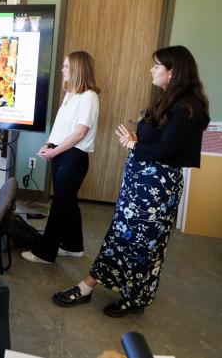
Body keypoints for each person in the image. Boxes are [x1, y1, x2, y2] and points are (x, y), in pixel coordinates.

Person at [52, 45, 209, 317]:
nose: (151, 69)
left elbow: (165, 150)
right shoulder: (166, 99)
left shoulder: (187, 107)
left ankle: (122, 294)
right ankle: (111, 290)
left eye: (157, 66)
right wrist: (136, 142)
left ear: (172, 72)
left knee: (143, 243)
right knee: (122, 236)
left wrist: (134, 144)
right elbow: (153, 138)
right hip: (140, 185)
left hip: (156, 189)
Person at [21, 50, 100, 264]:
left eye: (66, 66)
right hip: (61, 153)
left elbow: (79, 133)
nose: (62, 70)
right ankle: (74, 247)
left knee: (59, 207)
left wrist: (55, 151)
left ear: (77, 70)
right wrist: (49, 143)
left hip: (73, 157)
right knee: (69, 203)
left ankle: (45, 253)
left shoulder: (89, 97)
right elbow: (61, 126)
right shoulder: (70, 94)